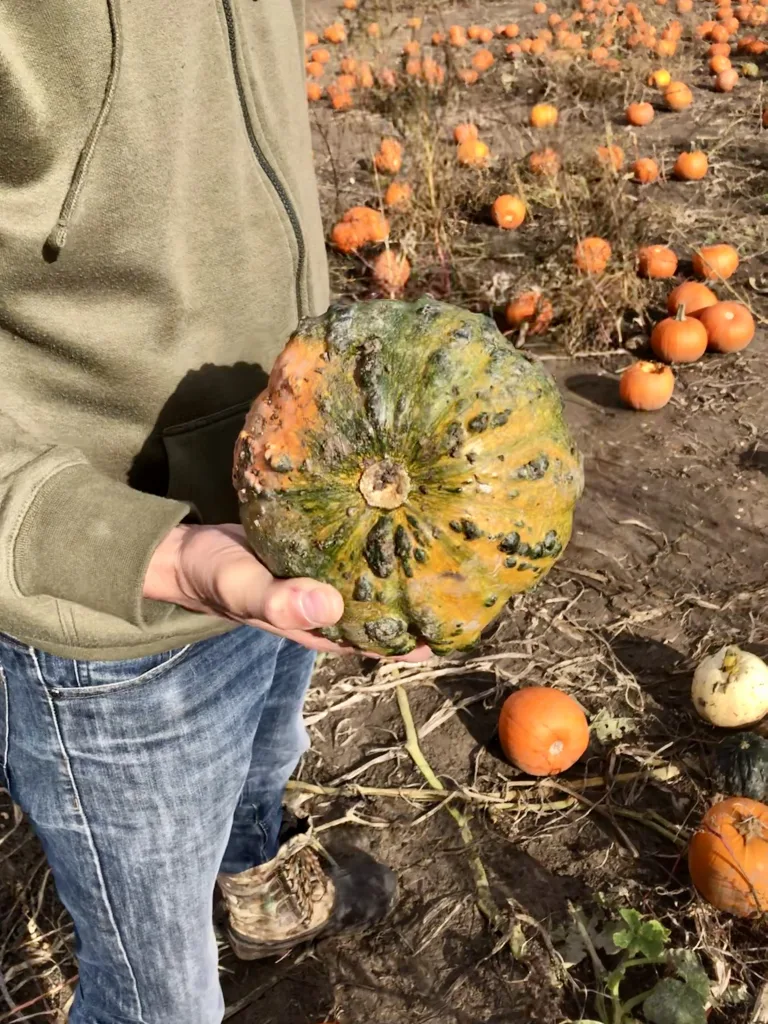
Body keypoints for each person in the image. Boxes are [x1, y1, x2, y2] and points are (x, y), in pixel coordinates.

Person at [0, 5, 429, 1022]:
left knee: (265, 755)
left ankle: (253, 881)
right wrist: (122, 547)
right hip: (112, 597)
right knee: (158, 998)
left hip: (287, 498)